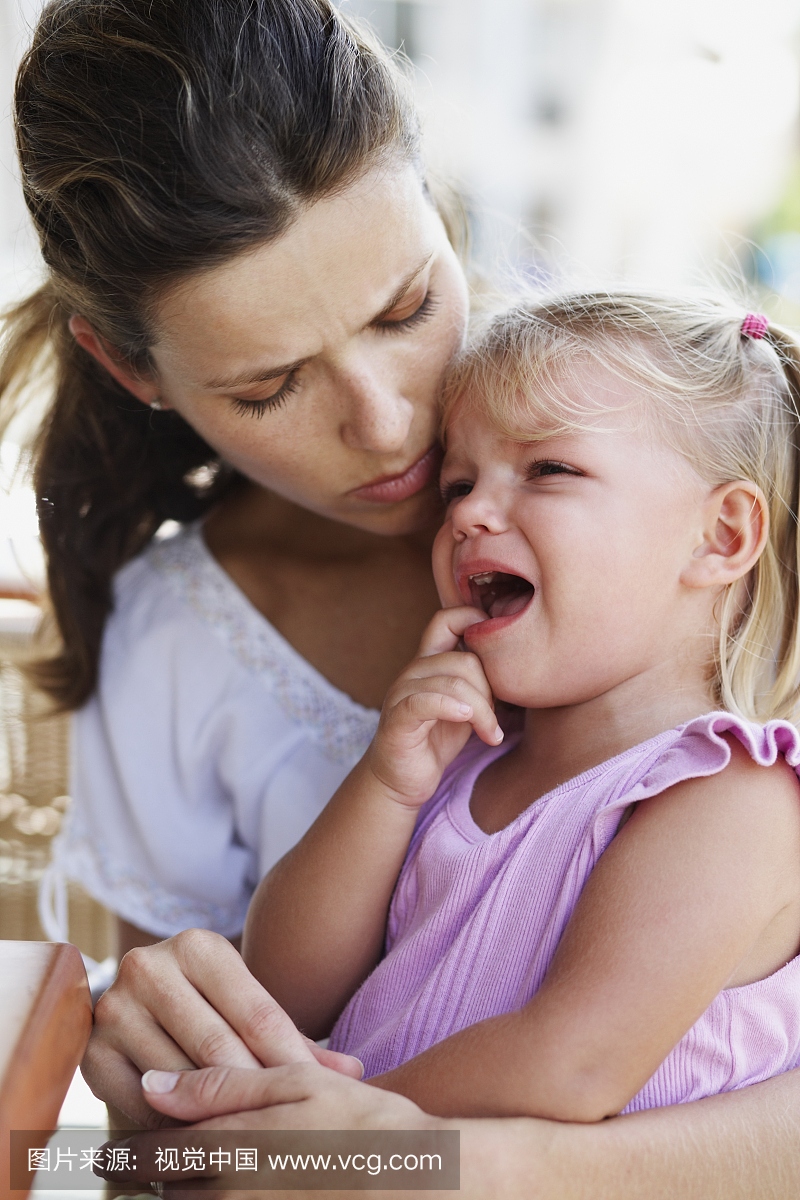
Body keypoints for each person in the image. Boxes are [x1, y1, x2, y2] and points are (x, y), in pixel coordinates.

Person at [2, 1, 800, 1193]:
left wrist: (404, 1141)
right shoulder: (210, 658)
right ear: (134, 372)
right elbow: (154, 1146)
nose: (387, 428)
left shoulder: (666, 435)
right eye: (268, 385)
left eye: (404, 308)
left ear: (438, 199)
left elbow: (571, 1071)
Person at [241, 290, 800, 1121]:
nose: (468, 513)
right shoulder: (459, 759)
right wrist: (387, 787)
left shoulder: (733, 798)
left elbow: (568, 1067)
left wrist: (301, 1138)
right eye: (459, 482)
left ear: (719, 536)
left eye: (549, 469)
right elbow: (281, 993)